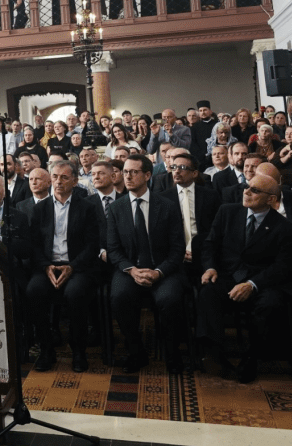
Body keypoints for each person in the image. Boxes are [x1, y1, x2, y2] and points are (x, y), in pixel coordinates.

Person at [197, 172, 292, 383]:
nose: (246, 192)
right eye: (246, 186)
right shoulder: (227, 212)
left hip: (262, 282)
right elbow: (210, 245)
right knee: (208, 292)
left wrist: (252, 285)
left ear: (271, 199)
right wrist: (210, 267)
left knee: (270, 304)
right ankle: (214, 354)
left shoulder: (285, 228)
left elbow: (282, 267)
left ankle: (252, 358)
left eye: (255, 190)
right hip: (229, 275)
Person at [107, 155, 186, 373]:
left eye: (134, 172)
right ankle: (136, 351)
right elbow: (113, 249)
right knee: (119, 296)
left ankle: (172, 352)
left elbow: (178, 248)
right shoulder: (116, 208)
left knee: (170, 299)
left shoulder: (167, 206)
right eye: (125, 172)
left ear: (147, 175)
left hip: (163, 269)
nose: (128, 176)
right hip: (130, 269)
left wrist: (159, 272)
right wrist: (132, 271)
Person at [26, 160, 102, 373]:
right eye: (55, 177)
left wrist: (72, 267)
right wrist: (45, 267)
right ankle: (46, 349)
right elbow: (34, 244)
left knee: (75, 293)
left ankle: (79, 351)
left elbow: (92, 245)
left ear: (75, 181)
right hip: (48, 266)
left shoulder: (87, 208)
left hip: (78, 266)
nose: (58, 182)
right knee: (34, 291)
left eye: (64, 177)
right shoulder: (40, 209)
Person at [159, 154, 218, 283]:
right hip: (175, 257)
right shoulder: (162, 199)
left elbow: (214, 231)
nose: (177, 171)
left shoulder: (210, 196)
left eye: (183, 167)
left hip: (204, 255)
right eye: (174, 167)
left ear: (195, 173)